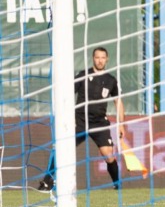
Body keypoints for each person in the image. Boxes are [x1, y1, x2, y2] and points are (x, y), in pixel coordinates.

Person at [38, 46, 125, 191]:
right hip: (80, 121)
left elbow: (118, 101)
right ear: (93, 59)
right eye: (97, 57)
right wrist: (69, 116)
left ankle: (117, 184)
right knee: (63, 148)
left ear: (107, 59)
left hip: (99, 123)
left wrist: (121, 124)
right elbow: (67, 94)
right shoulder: (83, 75)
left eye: (103, 58)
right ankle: (48, 181)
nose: (100, 60)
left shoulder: (111, 80)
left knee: (108, 154)